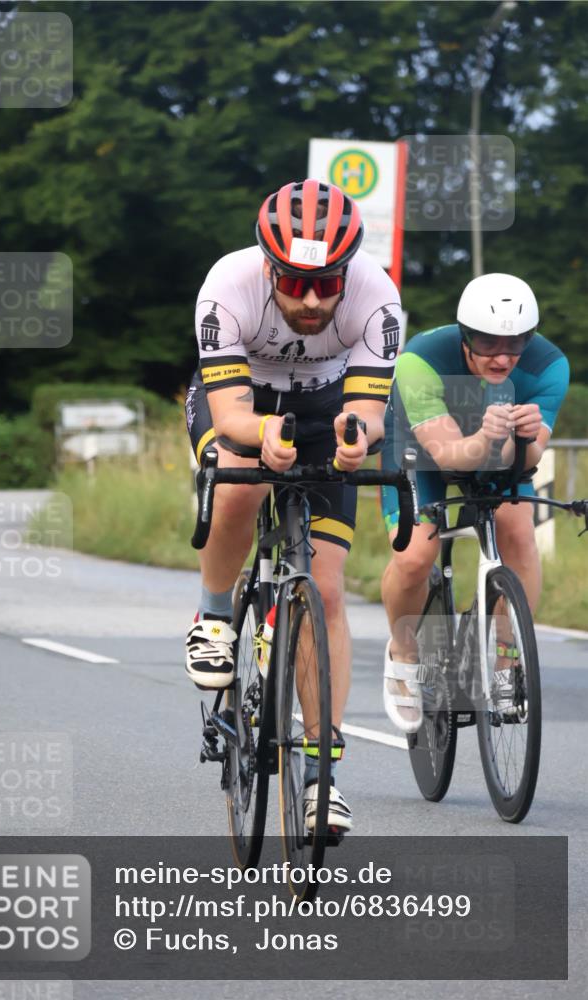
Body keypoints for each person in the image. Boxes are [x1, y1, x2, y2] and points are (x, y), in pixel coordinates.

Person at [184, 179, 403, 831]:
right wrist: (262, 436)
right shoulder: (227, 286)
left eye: (326, 283)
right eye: (295, 282)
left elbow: (365, 409)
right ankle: (215, 614)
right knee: (243, 474)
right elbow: (229, 414)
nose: (310, 300)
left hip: (325, 409)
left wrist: (355, 437)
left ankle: (319, 775)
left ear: (347, 271)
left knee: (327, 594)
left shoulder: (377, 299)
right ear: (268, 266)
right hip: (244, 403)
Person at [379, 273, 570, 731]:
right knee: (414, 555)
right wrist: (486, 433)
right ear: (465, 335)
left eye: (516, 343)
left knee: (519, 533)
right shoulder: (421, 359)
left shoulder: (548, 366)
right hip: (420, 449)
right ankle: (404, 652)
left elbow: (527, 458)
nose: (503, 357)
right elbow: (446, 457)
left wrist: (518, 437)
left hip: (494, 447)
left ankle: (507, 661)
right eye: (488, 343)